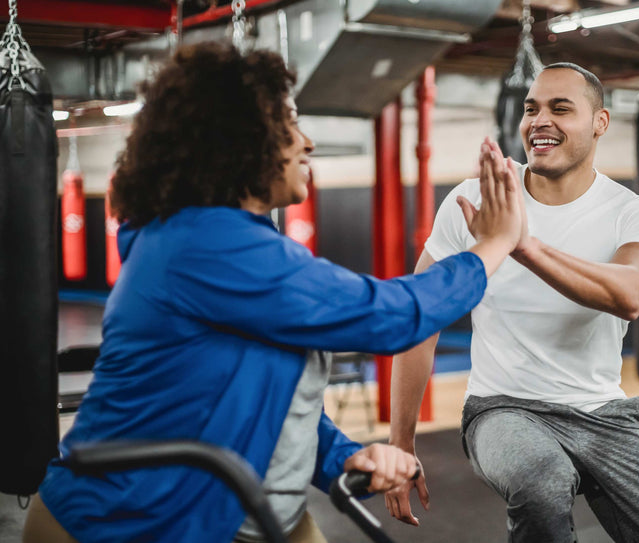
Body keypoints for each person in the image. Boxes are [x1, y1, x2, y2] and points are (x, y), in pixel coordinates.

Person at [23, 42, 523, 543]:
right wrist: (492, 245)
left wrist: (342, 458)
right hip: (130, 524)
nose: (306, 143)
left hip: (247, 515)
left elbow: (276, 397)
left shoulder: (224, 243)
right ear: (238, 142)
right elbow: (389, 316)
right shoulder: (206, 244)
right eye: (288, 126)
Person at [385, 62, 639, 542]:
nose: (540, 120)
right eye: (531, 108)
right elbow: (419, 319)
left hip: (603, 413)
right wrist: (401, 443)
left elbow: (632, 294)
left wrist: (520, 245)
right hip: (502, 408)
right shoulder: (478, 199)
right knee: (541, 481)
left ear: (600, 122)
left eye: (561, 108)